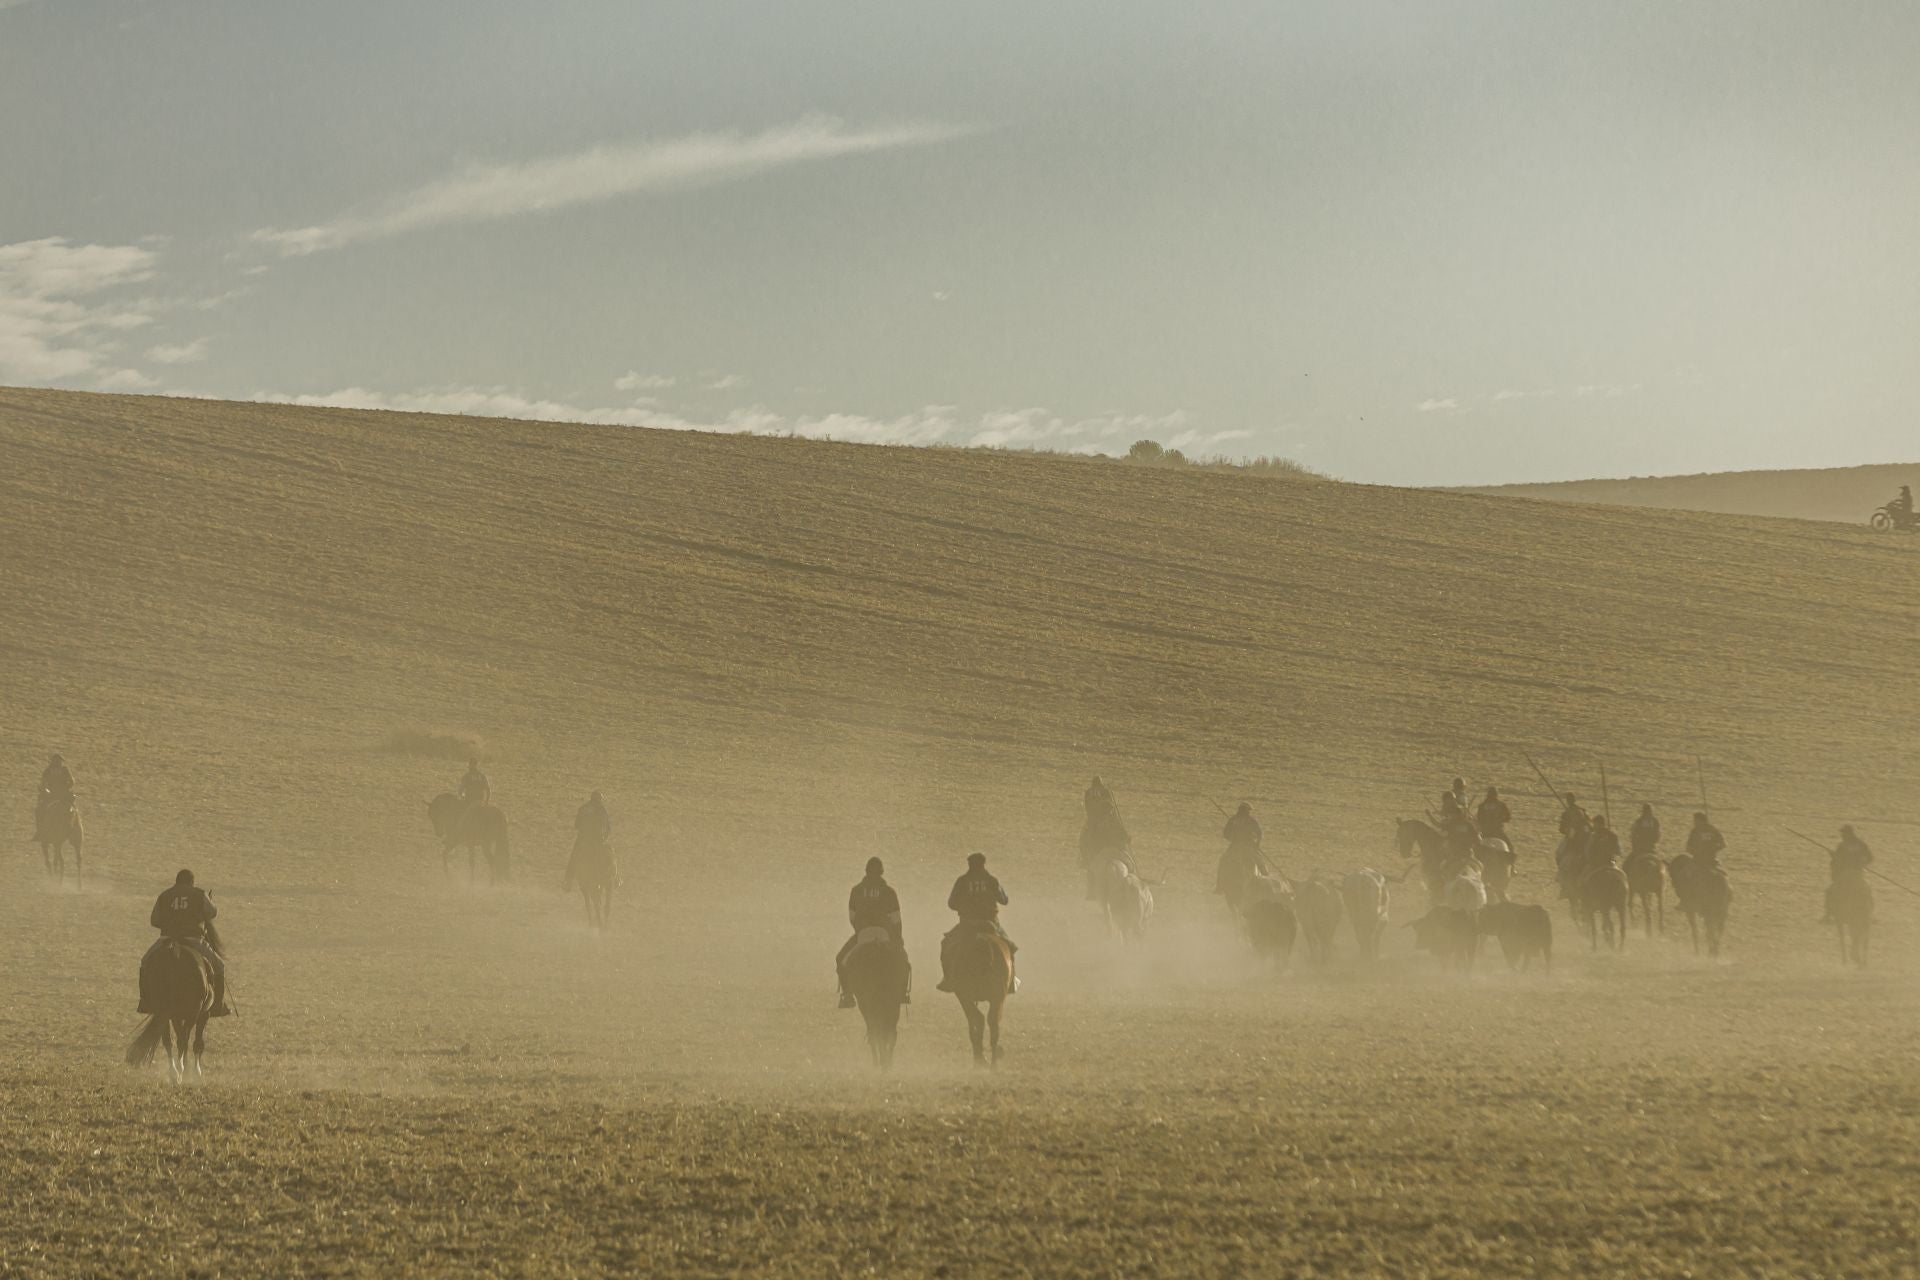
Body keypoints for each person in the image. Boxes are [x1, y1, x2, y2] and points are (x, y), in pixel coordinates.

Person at [143, 870, 230, 1017]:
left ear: (177, 881)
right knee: (219, 966)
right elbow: (213, 913)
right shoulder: (199, 893)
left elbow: (154, 920)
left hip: (167, 940)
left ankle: (145, 1001)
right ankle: (217, 1005)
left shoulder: (164, 895)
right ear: (192, 881)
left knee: (145, 962)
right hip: (193, 940)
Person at [937, 852, 1016, 994]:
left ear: (969, 864)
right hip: (990, 924)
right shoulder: (992, 880)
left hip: (967, 924)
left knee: (946, 944)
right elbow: (1004, 900)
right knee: (1010, 947)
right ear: (983, 864)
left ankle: (948, 979)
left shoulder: (962, 881)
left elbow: (952, 904)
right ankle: (1011, 980)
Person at [837, 857, 908, 1008]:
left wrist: (861, 930)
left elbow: (852, 917)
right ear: (882, 872)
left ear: (866, 871)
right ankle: (903, 993)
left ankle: (847, 996)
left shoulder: (856, 890)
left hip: (863, 934)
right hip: (885, 934)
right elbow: (896, 919)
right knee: (904, 961)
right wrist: (898, 938)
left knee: (840, 960)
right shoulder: (889, 891)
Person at [1215, 801, 1271, 894]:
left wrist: (1256, 844)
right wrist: (1256, 845)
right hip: (1243, 846)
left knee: (1223, 861)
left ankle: (1219, 886)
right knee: (1259, 861)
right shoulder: (1243, 820)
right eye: (1247, 811)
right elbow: (1259, 833)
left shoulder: (1236, 820)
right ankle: (1267, 881)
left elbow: (1226, 834)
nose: (1248, 812)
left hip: (1240, 846)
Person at [1822, 825, 1873, 925]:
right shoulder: (1861, 844)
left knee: (1830, 891)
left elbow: (1837, 862)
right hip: (1858, 874)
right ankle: (1869, 914)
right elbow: (1870, 858)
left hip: (1846, 874)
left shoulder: (1842, 845)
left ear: (1847, 834)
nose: (1842, 835)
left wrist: (1834, 856)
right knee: (1867, 892)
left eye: (1843, 833)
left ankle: (1828, 915)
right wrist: (1862, 862)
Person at [567, 791, 613, 886]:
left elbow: (576, 825)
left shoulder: (583, 808)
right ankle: (616, 878)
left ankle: (568, 880)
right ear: (600, 800)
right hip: (598, 840)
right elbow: (608, 828)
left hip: (583, 839)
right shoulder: (602, 810)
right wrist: (604, 838)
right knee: (610, 855)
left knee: (574, 857)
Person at [36, 752, 74, 839]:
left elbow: (72, 781)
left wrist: (66, 788)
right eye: (56, 761)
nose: (58, 763)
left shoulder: (65, 770)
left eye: (59, 761)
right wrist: (45, 790)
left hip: (63, 794)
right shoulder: (48, 770)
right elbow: (43, 782)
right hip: (51, 794)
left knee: (72, 808)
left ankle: (73, 826)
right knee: (40, 810)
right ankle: (40, 830)